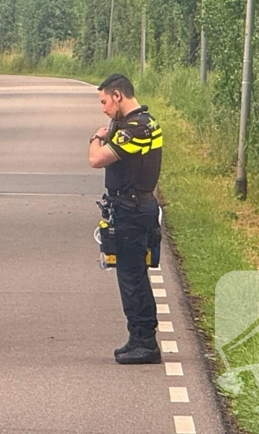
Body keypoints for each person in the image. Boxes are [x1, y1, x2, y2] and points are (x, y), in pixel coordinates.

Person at [88, 73, 163, 365]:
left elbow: (96, 159)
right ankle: (137, 337)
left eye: (105, 101)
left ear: (118, 96)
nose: (104, 108)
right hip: (131, 207)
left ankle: (145, 341)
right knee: (130, 277)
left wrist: (96, 137)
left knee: (133, 279)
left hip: (133, 210)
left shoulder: (136, 129)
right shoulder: (141, 123)